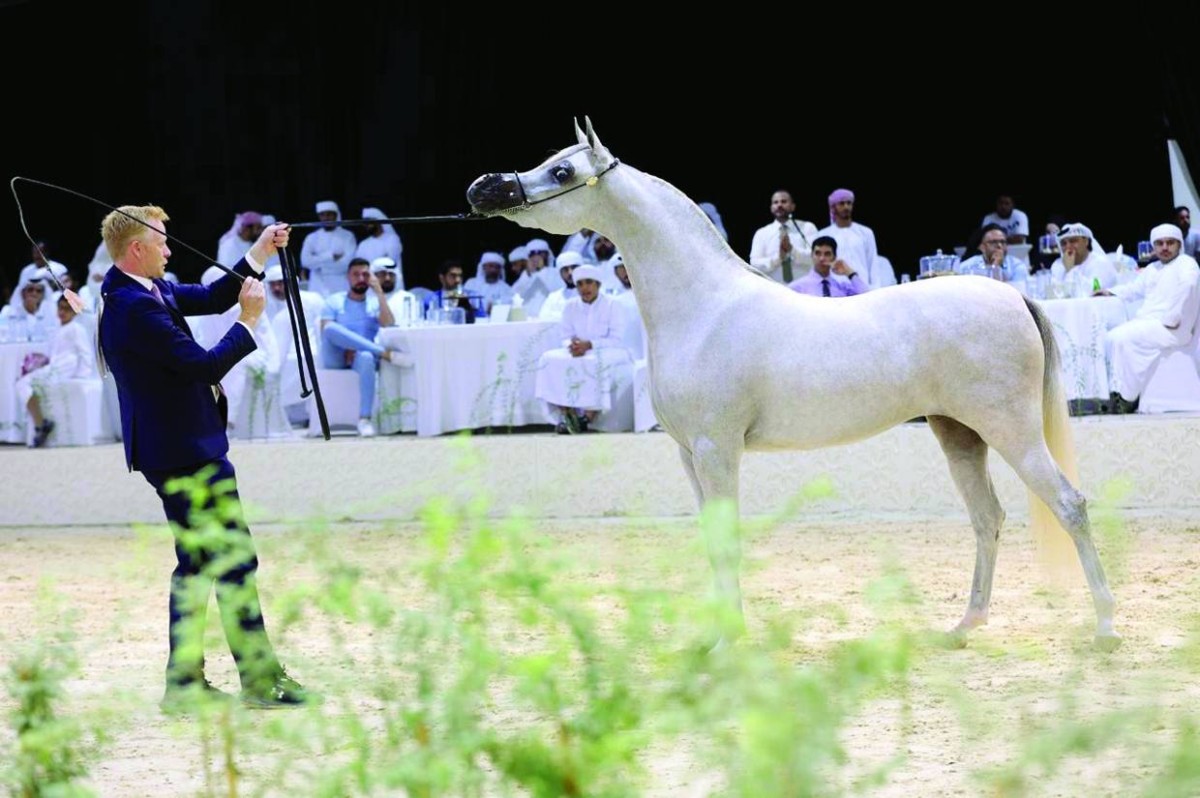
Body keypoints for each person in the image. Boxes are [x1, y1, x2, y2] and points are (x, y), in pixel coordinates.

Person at [97, 206, 311, 711]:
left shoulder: (144, 290)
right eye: (163, 243)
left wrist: (261, 251)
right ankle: (259, 680)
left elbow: (215, 293)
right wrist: (250, 321)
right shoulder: (134, 308)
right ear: (137, 249)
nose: (170, 250)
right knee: (234, 560)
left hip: (175, 448)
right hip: (183, 452)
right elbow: (204, 365)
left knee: (196, 565)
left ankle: (185, 683)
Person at [1095, 223, 1200, 413]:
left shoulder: (1187, 264)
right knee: (1111, 337)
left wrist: (1174, 317)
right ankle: (1118, 393)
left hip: (1174, 328)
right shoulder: (1153, 268)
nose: (1165, 248)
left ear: (1179, 244)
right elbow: (1133, 290)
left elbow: (1188, 287)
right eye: (1159, 243)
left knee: (1122, 338)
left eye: (1170, 243)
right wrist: (1109, 291)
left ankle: (1127, 399)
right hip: (1152, 323)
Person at [534, 264, 630, 434]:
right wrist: (572, 345)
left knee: (596, 363)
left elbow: (616, 339)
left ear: (598, 285)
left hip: (608, 351)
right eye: (580, 284)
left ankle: (587, 417)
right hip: (577, 350)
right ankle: (567, 414)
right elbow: (565, 335)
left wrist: (590, 344)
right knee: (548, 359)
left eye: (588, 283)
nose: (584, 288)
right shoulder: (570, 306)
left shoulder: (612, 304)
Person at [319, 257, 401, 436]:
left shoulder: (373, 303)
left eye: (365, 274)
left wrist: (379, 293)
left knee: (366, 357)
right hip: (336, 356)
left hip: (362, 358)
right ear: (348, 277)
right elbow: (327, 331)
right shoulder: (334, 301)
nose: (361, 279)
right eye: (356, 275)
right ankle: (383, 353)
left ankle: (365, 419)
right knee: (331, 328)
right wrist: (348, 346)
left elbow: (388, 325)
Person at [16, 295, 97, 447]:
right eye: (60, 307)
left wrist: (82, 375)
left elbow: (85, 353)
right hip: (54, 368)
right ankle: (41, 424)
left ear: (74, 312)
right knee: (21, 382)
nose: (62, 311)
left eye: (67, 309)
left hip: (66, 369)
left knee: (22, 384)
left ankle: (41, 425)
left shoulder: (76, 328)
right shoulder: (57, 328)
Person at [816, 188, 887, 288]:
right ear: (833, 208)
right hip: (836, 289)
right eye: (841, 203)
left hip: (862, 287)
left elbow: (873, 263)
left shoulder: (866, 232)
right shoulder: (823, 234)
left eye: (849, 203)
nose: (846, 207)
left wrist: (875, 289)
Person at [748, 190, 817, 283]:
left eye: (784, 201)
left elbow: (817, 258)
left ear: (793, 206)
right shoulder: (761, 233)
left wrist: (792, 250)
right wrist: (778, 258)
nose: (779, 205)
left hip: (805, 288)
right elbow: (754, 264)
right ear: (771, 207)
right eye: (775, 202)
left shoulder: (807, 228)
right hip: (774, 289)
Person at [300, 200, 358, 297]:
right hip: (317, 285)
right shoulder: (312, 237)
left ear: (336, 215)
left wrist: (318, 264)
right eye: (322, 215)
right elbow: (305, 261)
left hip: (340, 284)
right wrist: (330, 257)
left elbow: (347, 264)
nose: (326, 218)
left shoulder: (347, 236)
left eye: (329, 214)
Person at [787, 236, 867, 297]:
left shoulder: (842, 287)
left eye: (827, 254)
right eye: (818, 253)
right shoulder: (796, 288)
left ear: (834, 257)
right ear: (811, 255)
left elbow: (866, 297)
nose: (822, 258)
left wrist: (849, 272)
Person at [1048, 222, 1117, 293]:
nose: (1068, 247)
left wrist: (1070, 271)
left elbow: (1090, 295)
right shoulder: (1058, 265)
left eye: (1073, 241)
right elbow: (1053, 294)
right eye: (1063, 243)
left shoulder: (1101, 264)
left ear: (1086, 241)